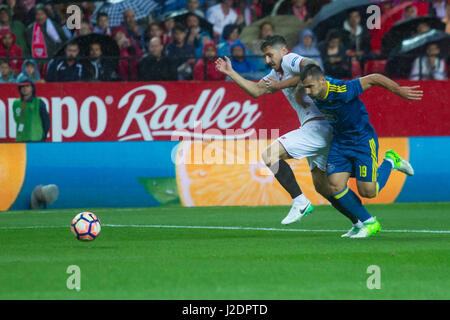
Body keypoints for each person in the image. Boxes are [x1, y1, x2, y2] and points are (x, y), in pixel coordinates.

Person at [215, 35, 338, 225]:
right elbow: (256, 91)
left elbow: (312, 67)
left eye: (270, 55)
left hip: (318, 124)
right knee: (326, 187)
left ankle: (300, 201)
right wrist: (231, 72)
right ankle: (361, 220)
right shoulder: (276, 73)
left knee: (270, 155)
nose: (267, 61)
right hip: (325, 126)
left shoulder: (290, 60)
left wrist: (279, 86)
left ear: (283, 51)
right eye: (265, 57)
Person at [298, 64, 422, 238]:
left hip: (362, 141)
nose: (308, 92)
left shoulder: (342, 89)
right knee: (334, 185)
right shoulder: (312, 90)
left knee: (369, 192)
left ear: (322, 80)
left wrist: (398, 90)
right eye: (306, 88)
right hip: (340, 142)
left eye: (310, 87)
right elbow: (297, 86)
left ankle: (390, 161)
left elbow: (373, 78)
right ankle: (368, 222)